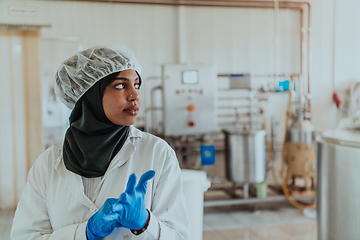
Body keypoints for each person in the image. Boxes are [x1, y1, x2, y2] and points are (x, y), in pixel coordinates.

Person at [11, 46, 190, 240]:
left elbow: (180, 236)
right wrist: (84, 233)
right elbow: (26, 236)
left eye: (137, 85)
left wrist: (145, 223)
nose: (135, 95)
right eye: (121, 86)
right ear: (89, 95)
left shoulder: (157, 153)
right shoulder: (49, 163)